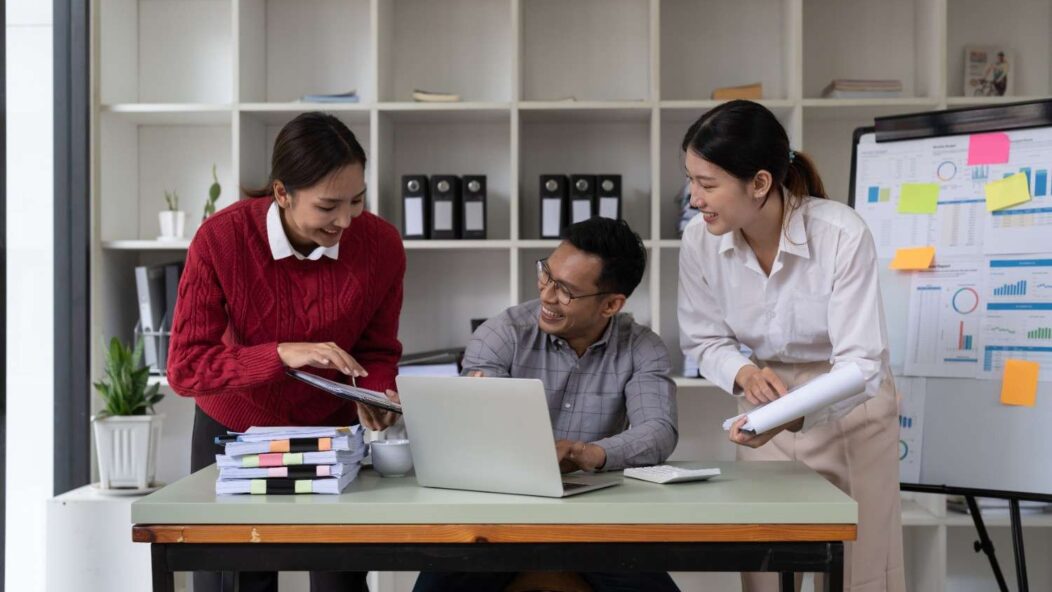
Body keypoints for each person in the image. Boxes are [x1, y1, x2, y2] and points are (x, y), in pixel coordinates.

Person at [167, 111, 405, 592]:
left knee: (340, 580)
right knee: (236, 580)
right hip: (234, 433)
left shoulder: (381, 244)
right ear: (281, 193)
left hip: (331, 433)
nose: (345, 220)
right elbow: (186, 368)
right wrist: (279, 354)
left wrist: (375, 393)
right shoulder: (221, 239)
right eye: (327, 206)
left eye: (356, 200)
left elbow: (378, 349)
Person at [677, 100, 905, 592]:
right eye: (691, 180)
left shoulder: (840, 233)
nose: (695, 198)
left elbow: (862, 363)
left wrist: (797, 411)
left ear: (759, 183)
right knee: (765, 567)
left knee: (858, 572)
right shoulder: (698, 240)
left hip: (850, 409)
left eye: (708, 184)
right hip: (765, 405)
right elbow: (703, 337)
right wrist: (743, 374)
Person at [413, 217, 680, 592]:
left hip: (598, 524)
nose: (547, 296)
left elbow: (658, 432)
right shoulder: (502, 333)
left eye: (566, 291)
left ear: (611, 304)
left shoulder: (642, 347)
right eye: (546, 275)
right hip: (498, 519)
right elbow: (481, 435)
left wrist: (587, 453)